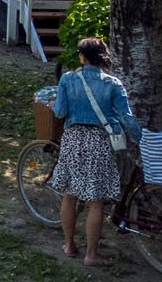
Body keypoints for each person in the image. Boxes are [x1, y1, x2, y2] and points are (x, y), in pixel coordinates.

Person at [50, 38, 138, 267]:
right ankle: (91, 254)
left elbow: (60, 112)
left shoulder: (68, 79)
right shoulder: (113, 83)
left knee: (70, 195)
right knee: (95, 201)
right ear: (103, 57)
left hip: (72, 138)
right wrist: (140, 137)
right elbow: (126, 117)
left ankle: (69, 244)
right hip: (99, 141)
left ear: (82, 56)